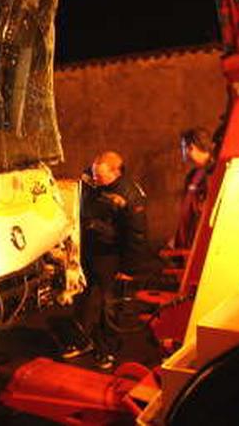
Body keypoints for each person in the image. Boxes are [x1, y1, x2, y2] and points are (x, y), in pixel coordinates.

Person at [62, 151, 154, 369]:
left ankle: (107, 349)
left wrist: (128, 268)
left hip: (111, 257)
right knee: (81, 298)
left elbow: (137, 235)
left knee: (109, 305)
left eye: (99, 176)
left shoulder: (130, 195)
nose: (94, 179)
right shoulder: (90, 181)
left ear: (115, 172)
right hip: (88, 253)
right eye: (93, 173)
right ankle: (81, 340)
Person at [170, 127, 215, 251]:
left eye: (185, 148)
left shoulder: (216, 174)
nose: (185, 154)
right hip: (193, 240)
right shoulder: (195, 175)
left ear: (192, 147)